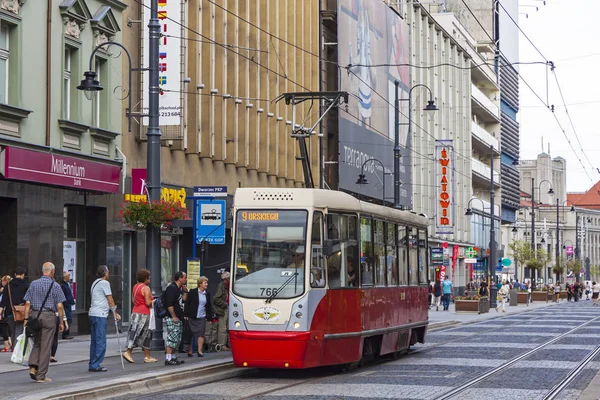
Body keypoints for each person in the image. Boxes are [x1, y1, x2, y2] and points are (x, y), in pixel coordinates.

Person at [23, 262, 66, 383]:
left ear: (43, 271)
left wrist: (26, 319)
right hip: (48, 316)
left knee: (37, 341)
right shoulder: (56, 285)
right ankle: (41, 375)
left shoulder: (33, 284)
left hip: (35, 315)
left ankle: (33, 366)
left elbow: (27, 303)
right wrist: (61, 322)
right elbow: (60, 306)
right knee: (46, 345)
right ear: (52, 272)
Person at [88, 265, 120, 372]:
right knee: (101, 340)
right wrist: (115, 312)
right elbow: (110, 299)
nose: (109, 274)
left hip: (92, 313)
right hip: (100, 314)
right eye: (108, 272)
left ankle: (92, 363)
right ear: (105, 273)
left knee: (94, 341)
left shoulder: (95, 282)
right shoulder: (105, 283)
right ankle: (95, 364)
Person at [122, 269, 157, 364]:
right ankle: (143, 355)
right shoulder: (146, 288)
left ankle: (141, 354)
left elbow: (133, 300)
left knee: (133, 333)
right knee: (146, 334)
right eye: (148, 278)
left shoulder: (135, 287)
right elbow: (148, 303)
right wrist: (154, 301)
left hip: (135, 313)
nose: (149, 279)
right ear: (146, 278)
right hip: (144, 314)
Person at [0, 267, 29, 348]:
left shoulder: (8, 285)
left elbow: (3, 302)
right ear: (23, 274)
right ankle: (17, 351)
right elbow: (29, 300)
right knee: (19, 331)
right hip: (22, 312)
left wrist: (0, 313)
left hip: (10, 312)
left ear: (15, 274)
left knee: (12, 332)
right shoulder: (26, 285)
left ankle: (15, 350)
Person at [164, 271, 188, 366]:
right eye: (185, 277)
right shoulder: (171, 288)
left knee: (177, 338)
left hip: (178, 316)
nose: (186, 279)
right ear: (180, 278)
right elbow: (169, 304)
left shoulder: (179, 289)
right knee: (172, 337)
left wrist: (185, 291)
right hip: (171, 316)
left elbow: (184, 300)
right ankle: (168, 358)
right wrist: (173, 316)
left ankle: (173, 357)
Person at [184, 276, 212, 357]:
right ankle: (189, 351)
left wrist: (209, 318)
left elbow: (208, 306)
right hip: (192, 316)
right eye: (205, 283)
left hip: (202, 316)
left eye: (207, 283)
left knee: (201, 334)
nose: (207, 284)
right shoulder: (193, 292)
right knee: (190, 333)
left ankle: (199, 351)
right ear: (200, 284)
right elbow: (187, 303)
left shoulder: (207, 294)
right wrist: (186, 314)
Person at [213, 271, 231, 350]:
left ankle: (227, 344)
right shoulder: (221, 286)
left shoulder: (229, 286)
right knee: (222, 328)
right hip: (223, 309)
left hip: (229, 308)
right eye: (229, 278)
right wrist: (225, 304)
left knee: (228, 327)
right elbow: (216, 299)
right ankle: (222, 345)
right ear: (226, 279)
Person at [60, 272, 75, 340]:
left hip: (68, 304)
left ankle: (66, 333)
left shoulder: (66, 285)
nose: (69, 277)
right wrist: (66, 302)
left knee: (69, 319)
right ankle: (65, 334)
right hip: (66, 305)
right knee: (68, 319)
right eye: (68, 276)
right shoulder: (63, 285)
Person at [0, 276, 11, 351]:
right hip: (8, 311)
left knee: (3, 327)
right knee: (8, 328)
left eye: (2, 281)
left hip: (4, 311)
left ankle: (7, 345)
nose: (1, 282)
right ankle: (10, 344)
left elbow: (2, 302)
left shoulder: (4, 290)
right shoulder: (10, 289)